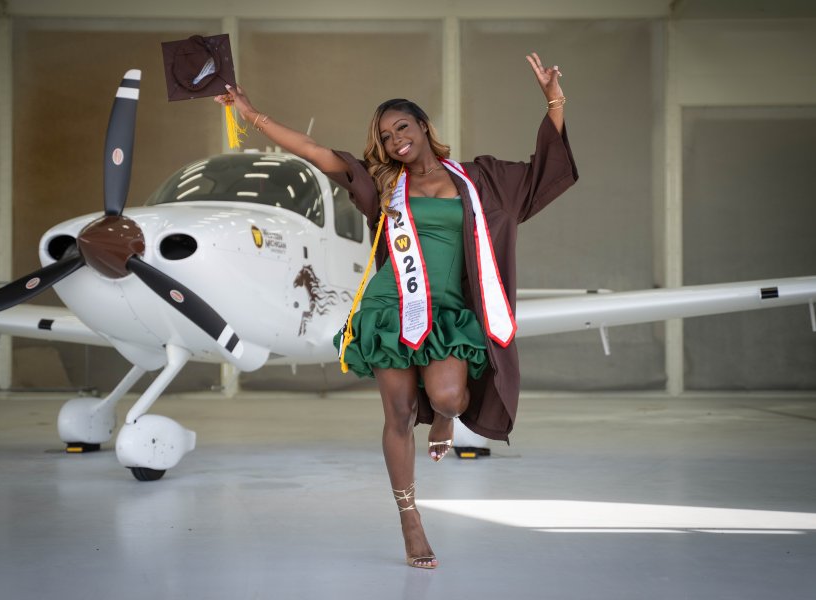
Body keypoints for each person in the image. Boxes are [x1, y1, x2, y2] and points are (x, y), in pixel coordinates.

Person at [215, 52, 577, 569]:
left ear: (424, 126)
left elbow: (545, 172)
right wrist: (250, 114)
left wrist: (553, 99)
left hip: (448, 310)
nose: (393, 141)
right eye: (384, 136)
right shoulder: (384, 185)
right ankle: (410, 519)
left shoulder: (482, 178)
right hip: (391, 307)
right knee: (399, 415)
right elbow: (317, 152)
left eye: (401, 127)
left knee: (449, 396)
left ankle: (446, 419)